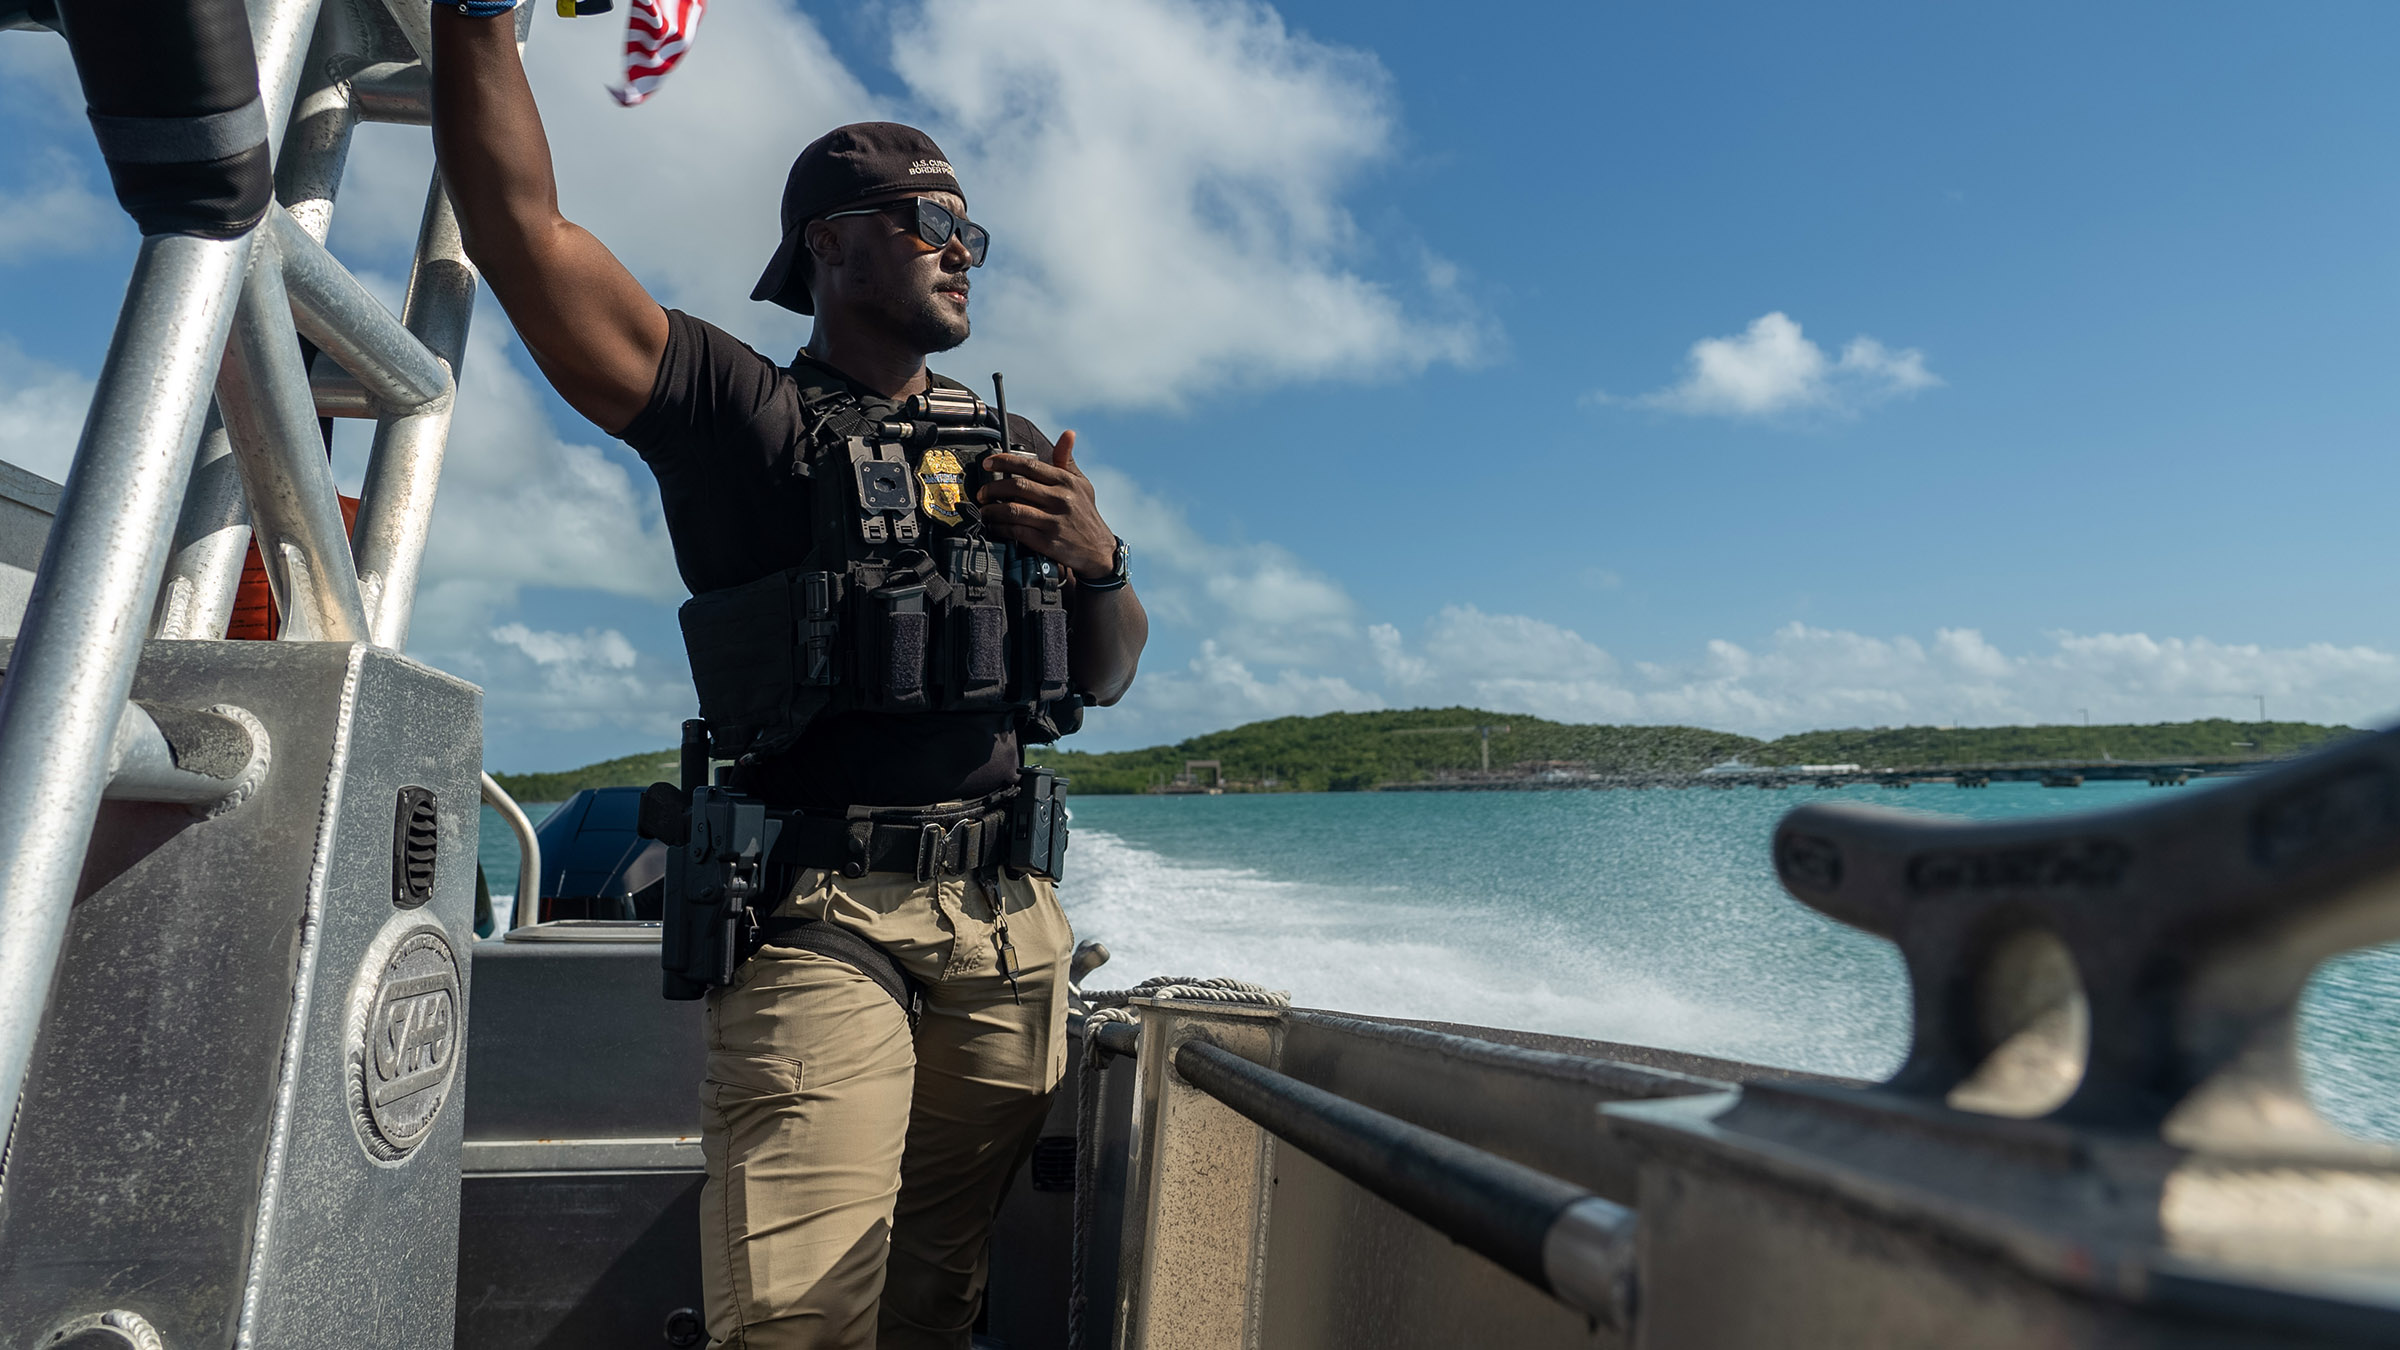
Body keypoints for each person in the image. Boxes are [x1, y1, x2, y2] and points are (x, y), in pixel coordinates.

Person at [430, 11, 1148, 1347]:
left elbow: (1104, 680)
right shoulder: (737, 411)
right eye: (929, 220)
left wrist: (1096, 555)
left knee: (941, 1296)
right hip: (825, 927)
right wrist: (478, 22)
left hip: (1006, 935)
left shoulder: (1007, 450)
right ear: (828, 242)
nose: (960, 250)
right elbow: (529, 239)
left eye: (971, 232)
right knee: (806, 1319)